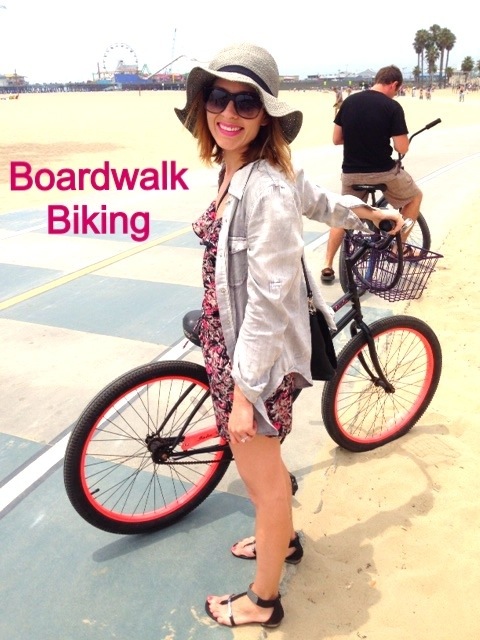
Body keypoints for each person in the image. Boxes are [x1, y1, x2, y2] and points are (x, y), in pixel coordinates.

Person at [174, 43, 403, 628]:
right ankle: (285, 540)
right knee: (266, 474)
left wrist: (246, 394)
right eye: (218, 97)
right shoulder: (248, 169)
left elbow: (271, 301)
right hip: (234, 348)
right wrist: (366, 213)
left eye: (246, 103)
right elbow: (319, 200)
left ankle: (263, 601)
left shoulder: (266, 189)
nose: (229, 113)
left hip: (254, 360)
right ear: (203, 105)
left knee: (265, 485)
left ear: (266, 115)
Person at [321, 64, 422, 283]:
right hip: (382, 173)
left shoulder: (349, 102)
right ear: (394, 84)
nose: (396, 94)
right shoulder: (392, 107)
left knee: (343, 212)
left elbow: (337, 139)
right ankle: (397, 247)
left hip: (351, 174)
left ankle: (327, 264)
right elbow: (401, 147)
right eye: (397, 90)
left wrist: (360, 137)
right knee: (415, 197)